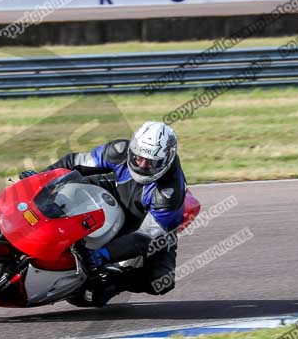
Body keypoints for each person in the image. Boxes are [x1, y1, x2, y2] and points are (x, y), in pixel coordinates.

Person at [19, 121, 186, 305]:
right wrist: (40, 179)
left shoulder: (169, 192)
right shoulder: (118, 150)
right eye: (139, 158)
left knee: (162, 281)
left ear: (167, 160)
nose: (143, 165)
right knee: (66, 188)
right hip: (114, 188)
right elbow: (75, 161)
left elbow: (145, 237)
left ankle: (117, 279)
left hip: (152, 223)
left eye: (152, 162)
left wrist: (103, 254)